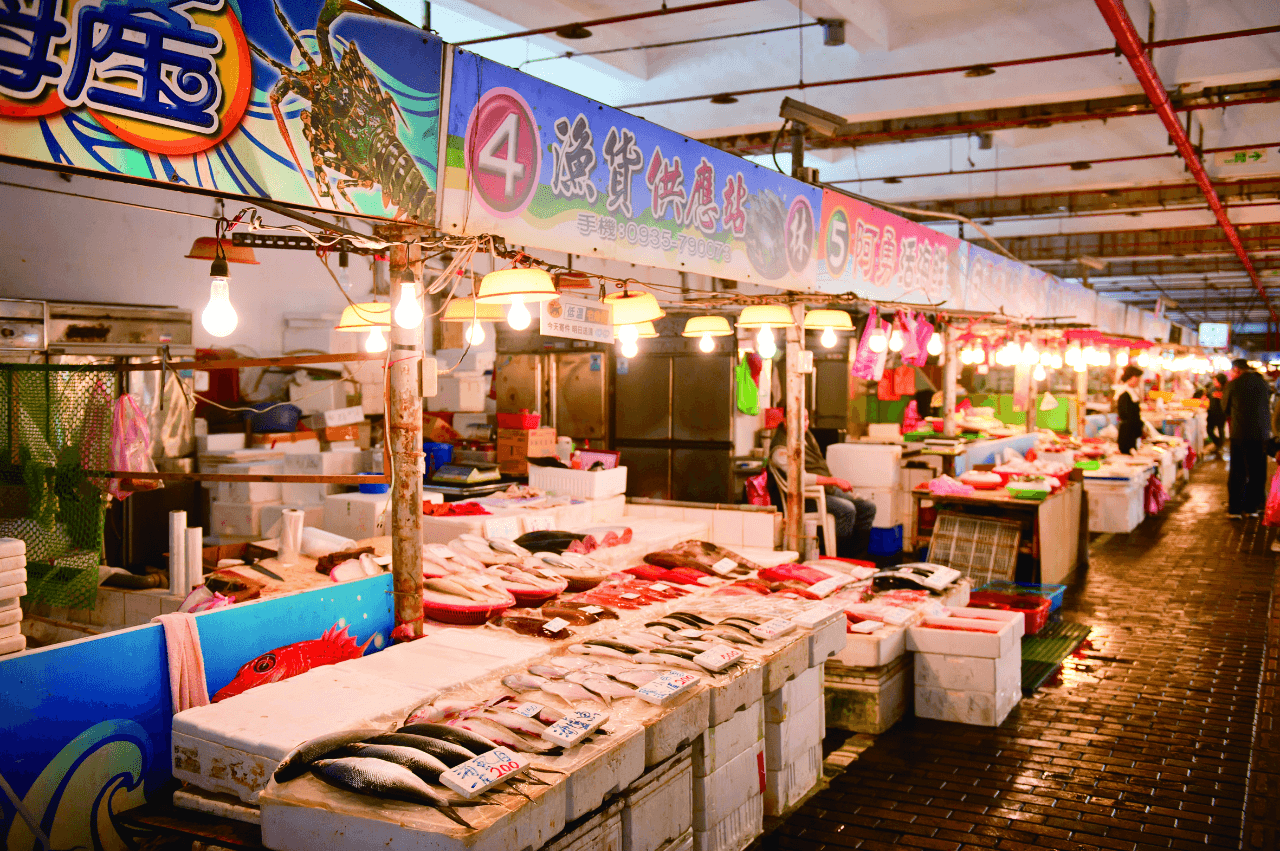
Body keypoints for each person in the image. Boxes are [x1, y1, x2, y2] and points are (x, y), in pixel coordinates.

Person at [769, 410, 876, 558]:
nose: (804, 424)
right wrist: (834, 481)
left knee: (868, 507)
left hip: (825, 490)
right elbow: (800, 478)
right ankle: (839, 558)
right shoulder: (779, 449)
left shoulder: (805, 435)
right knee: (847, 510)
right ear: (786, 421)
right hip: (805, 499)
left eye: (806, 419)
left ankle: (857, 557)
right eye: (799, 419)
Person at [1223, 358, 1272, 518]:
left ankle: (1236, 509)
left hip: (1240, 433)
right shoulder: (1262, 383)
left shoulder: (1234, 384)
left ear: (1236, 370)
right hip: (1261, 434)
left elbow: (1225, 408)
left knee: (1238, 470)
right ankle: (1253, 507)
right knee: (1257, 471)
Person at [1114, 364, 1145, 455]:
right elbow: (1127, 415)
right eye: (1138, 379)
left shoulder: (1131, 392)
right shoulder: (1124, 394)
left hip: (1132, 432)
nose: (1139, 381)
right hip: (1127, 434)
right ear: (1132, 378)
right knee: (1127, 454)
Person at [1206, 373, 1227, 457]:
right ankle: (1218, 442)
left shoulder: (1226, 389)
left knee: (1221, 430)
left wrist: (1221, 396)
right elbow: (1207, 396)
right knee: (1209, 430)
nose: (1214, 381)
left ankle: (1220, 446)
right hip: (1211, 412)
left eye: (1216, 380)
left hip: (1221, 413)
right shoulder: (1212, 388)